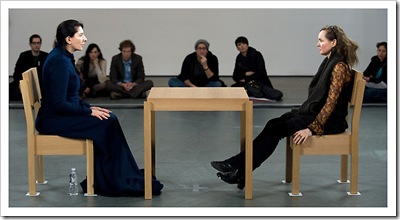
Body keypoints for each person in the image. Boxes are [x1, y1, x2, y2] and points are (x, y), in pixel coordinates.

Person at [211, 25, 359, 189]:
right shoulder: (330, 61)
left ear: (333, 43)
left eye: (321, 40)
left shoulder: (339, 66)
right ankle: (240, 172)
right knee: (272, 124)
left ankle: (237, 167)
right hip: (320, 115)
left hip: (330, 121)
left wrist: (311, 129)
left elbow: (331, 103)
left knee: (276, 129)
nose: (317, 44)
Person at [35, 19, 163, 196]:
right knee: (106, 122)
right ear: (68, 39)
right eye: (80, 35)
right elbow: (58, 103)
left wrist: (89, 107)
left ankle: (120, 174)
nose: (85, 38)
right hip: (53, 119)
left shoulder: (64, 56)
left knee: (108, 118)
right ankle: (113, 179)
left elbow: (70, 97)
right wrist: (87, 111)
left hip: (60, 113)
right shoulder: (59, 61)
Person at [9, 34, 48, 101]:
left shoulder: (45, 56)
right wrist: (20, 83)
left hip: (40, 84)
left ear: (41, 44)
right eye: (34, 43)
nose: (36, 45)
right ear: (30, 44)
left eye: (38, 43)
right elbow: (17, 72)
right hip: (26, 83)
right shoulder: (24, 56)